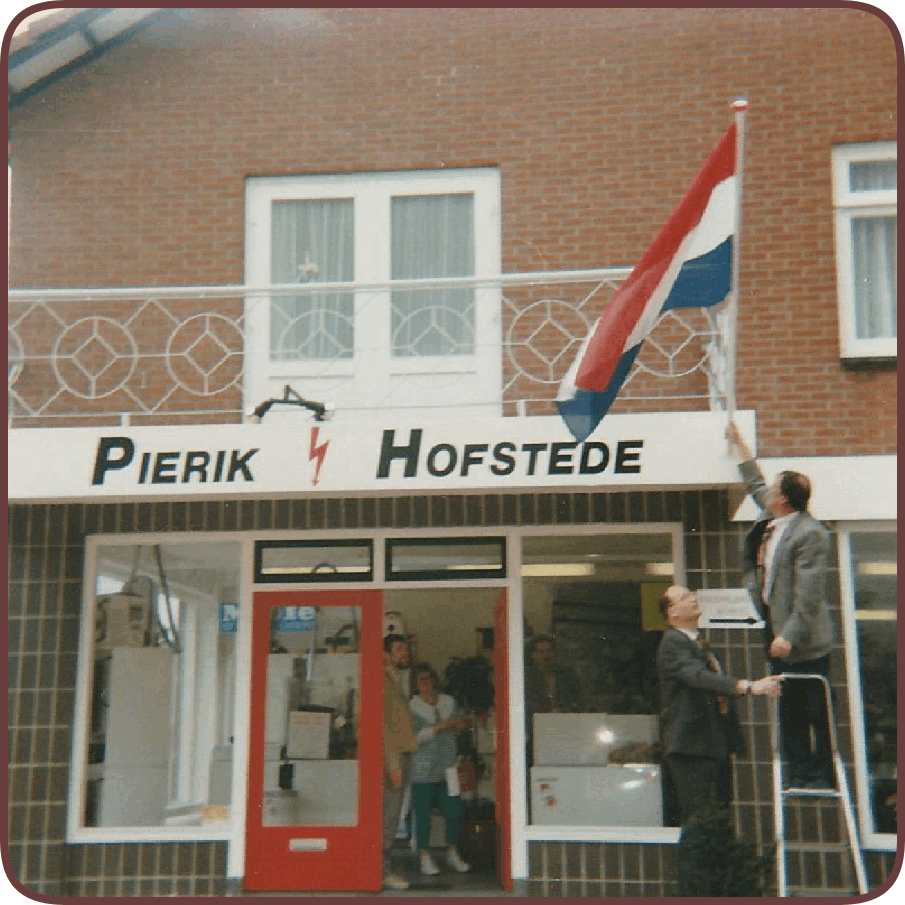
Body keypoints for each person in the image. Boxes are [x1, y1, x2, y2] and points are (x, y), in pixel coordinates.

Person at [726, 420, 836, 789]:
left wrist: (788, 635)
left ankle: (822, 774)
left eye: (775, 488)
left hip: (802, 639)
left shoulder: (810, 533)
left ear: (785, 499)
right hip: (774, 630)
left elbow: (809, 592)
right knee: (788, 706)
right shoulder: (772, 517)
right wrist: (741, 447)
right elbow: (755, 484)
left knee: (815, 708)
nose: (768, 492)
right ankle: (799, 773)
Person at [657, 585, 782, 890]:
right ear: (672, 612)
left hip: (712, 744)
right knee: (699, 823)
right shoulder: (673, 643)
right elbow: (699, 678)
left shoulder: (698, 642)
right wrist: (748, 686)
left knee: (715, 821)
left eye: (692, 594)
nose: (693, 599)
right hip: (691, 747)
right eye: (685, 597)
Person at [408, 662, 472, 876]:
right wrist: (439, 728)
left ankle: (452, 852)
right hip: (422, 768)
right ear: (415, 684)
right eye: (421, 680)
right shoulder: (412, 706)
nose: (426, 683)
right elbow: (413, 738)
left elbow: (461, 725)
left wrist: (462, 725)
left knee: (454, 810)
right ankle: (424, 856)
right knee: (423, 814)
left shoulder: (448, 702)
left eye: (429, 678)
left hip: (449, 766)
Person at [383, 633, 417, 890]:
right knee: (388, 815)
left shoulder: (396, 679)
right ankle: (382, 871)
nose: (404, 653)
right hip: (391, 758)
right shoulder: (382, 682)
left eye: (405, 649)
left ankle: (383, 869)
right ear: (385, 654)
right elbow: (383, 727)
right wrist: (393, 764)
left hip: (402, 754)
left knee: (392, 815)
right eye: (398, 649)